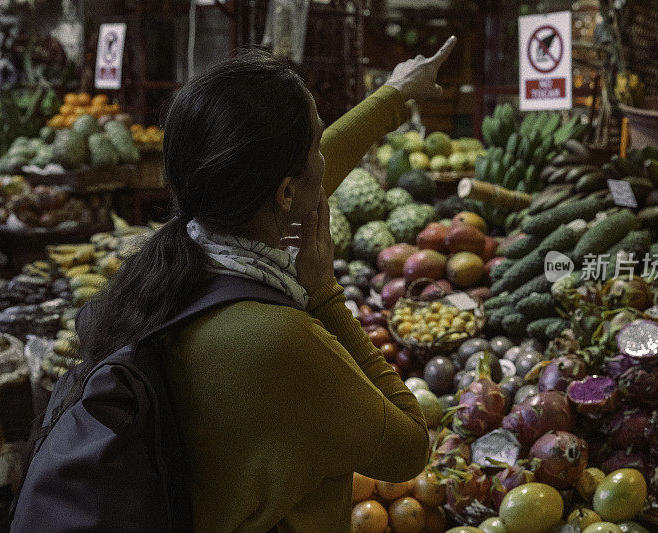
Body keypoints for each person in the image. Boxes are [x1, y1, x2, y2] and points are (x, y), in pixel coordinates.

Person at [75, 37, 457, 531]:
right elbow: (408, 447)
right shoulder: (278, 339)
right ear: (285, 192)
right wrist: (325, 295)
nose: (325, 157)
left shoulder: (175, 269)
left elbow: (305, 172)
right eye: (314, 144)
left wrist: (394, 95)